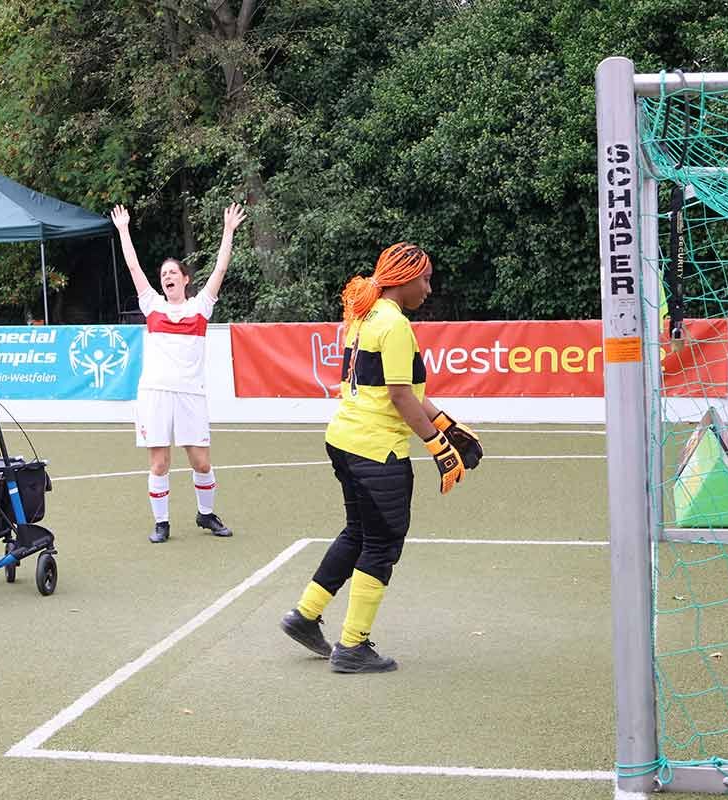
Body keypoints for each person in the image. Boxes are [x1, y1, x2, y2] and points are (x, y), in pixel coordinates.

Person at [278, 243, 483, 673]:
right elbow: (399, 396)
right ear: (404, 279)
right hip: (376, 450)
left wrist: (446, 426)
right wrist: (439, 447)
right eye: (425, 279)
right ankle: (352, 646)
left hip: (345, 440)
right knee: (382, 543)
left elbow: (400, 390)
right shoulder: (395, 324)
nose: (428, 288)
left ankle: (305, 615)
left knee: (358, 533)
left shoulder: (364, 315)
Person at [110, 202, 246, 543]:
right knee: (159, 463)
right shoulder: (152, 305)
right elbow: (132, 265)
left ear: (185, 279)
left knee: (201, 463)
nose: (167, 277)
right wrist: (124, 230)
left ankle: (206, 514)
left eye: (173, 272)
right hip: (155, 394)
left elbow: (220, 268)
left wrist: (228, 231)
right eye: (163, 274)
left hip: (191, 394)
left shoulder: (201, 306)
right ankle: (162, 523)